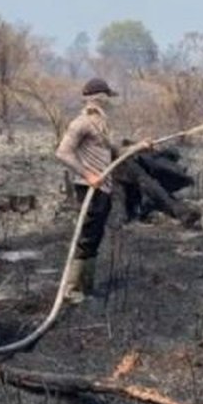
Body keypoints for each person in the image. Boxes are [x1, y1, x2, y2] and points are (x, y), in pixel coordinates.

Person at [54, 78, 122, 304]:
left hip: (103, 188)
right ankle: (71, 289)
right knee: (86, 237)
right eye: (108, 97)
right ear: (99, 98)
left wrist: (141, 146)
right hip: (89, 189)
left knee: (95, 236)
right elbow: (63, 153)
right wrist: (88, 175)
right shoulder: (81, 123)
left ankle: (87, 286)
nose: (110, 102)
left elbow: (115, 151)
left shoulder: (101, 124)